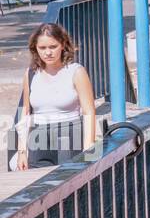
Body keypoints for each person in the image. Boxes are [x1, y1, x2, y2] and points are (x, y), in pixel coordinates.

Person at [8, 24, 97, 171]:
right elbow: (26, 113)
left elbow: (89, 112)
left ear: (62, 45)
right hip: (39, 137)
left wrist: (89, 148)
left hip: (70, 135)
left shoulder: (76, 72)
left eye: (53, 46)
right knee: (37, 183)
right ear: (35, 48)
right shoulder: (30, 74)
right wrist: (22, 151)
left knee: (67, 180)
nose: (48, 52)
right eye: (42, 48)